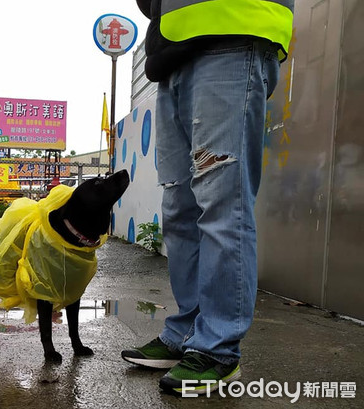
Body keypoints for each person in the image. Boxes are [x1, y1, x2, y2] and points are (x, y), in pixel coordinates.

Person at [122, 0, 294, 395]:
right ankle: (187, 333)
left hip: (233, 34)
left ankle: (217, 348)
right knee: (179, 210)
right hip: (171, 56)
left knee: (222, 206)